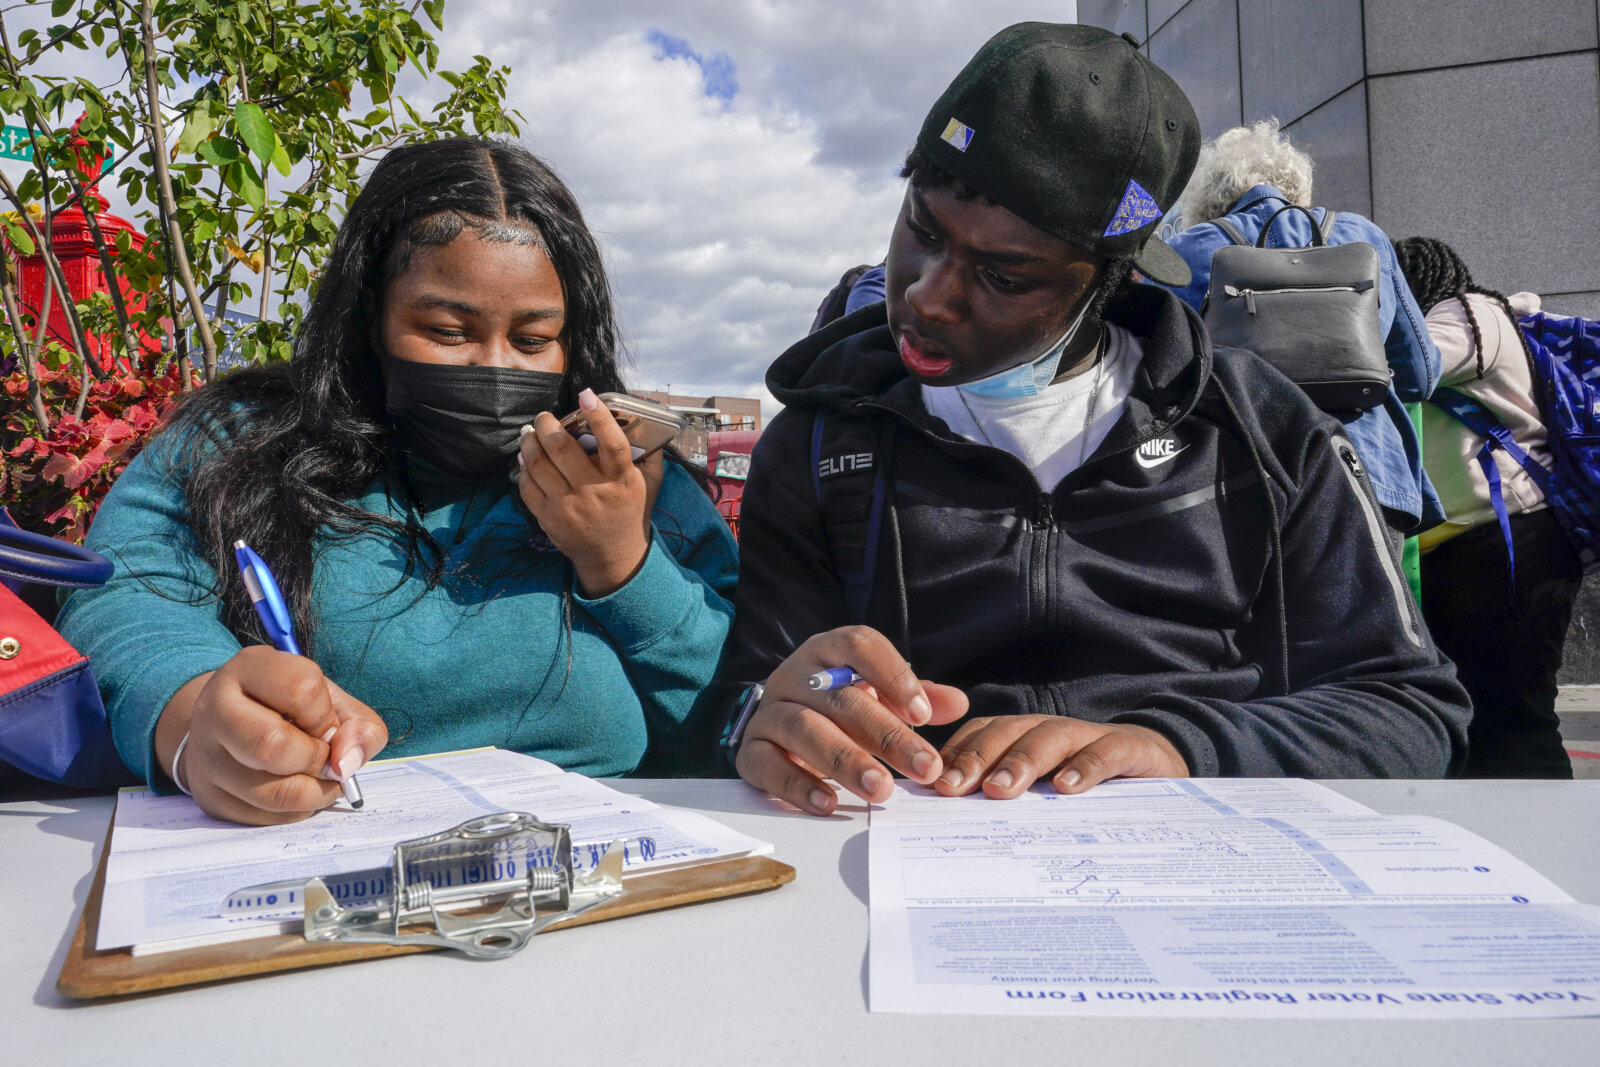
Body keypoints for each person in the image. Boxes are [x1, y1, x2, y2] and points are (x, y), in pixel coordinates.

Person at [717, 23, 1471, 817]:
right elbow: (752, 693)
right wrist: (772, 712)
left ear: (1108, 281)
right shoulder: (818, 445)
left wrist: (1181, 748)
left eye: (1004, 276)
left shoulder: (1265, 431)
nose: (930, 295)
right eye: (924, 230)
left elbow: (1412, 706)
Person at [57, 139, 738, 824]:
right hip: (320, 866)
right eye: (446, 329)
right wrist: (189, 712)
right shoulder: (241, 442)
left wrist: (621, 560)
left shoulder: (638, 479)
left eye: (532, 341)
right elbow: (127, 592)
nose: (493, 364)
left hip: (604, 877)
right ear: (371, 315)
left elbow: (726, 710)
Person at [1164, 119, 1444, 561]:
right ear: (1296, 184)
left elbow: (1152, 374)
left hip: (1236, 477)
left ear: (1208, 198)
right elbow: (1421, 376)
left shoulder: (1188, 250)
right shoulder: (1363, 237)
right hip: (1366, 472)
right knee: (1369, 626)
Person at [1395, 236, 1581, 779]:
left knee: (1513, 722)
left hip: (1511, 544)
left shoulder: (1470, 315)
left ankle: (1547, 849)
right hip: (1477, 548)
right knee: (1478, 718)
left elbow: (1412, 363)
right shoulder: (1472, 317)